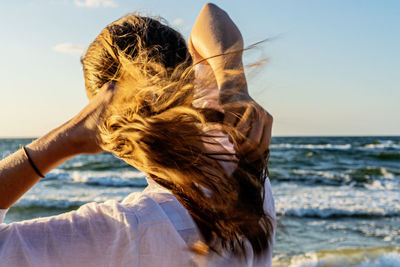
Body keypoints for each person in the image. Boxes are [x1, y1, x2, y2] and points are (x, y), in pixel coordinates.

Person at [0, 3, 275, 267]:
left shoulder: (126, 230)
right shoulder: (244, 171)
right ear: (189, 81)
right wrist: (233, 84)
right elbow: (211, 14)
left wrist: (64, 140)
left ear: (106, 124)